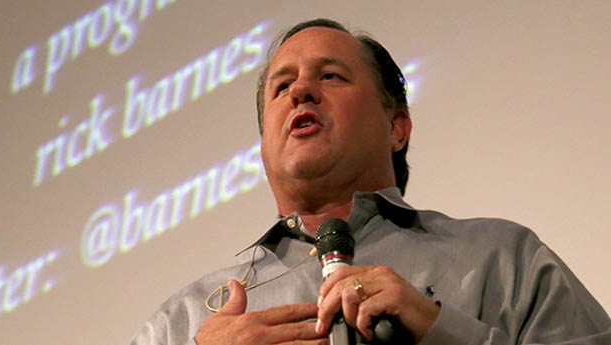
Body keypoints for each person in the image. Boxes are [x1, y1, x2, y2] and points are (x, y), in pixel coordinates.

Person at [130, 18, 611, 345]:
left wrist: (442, 332)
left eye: (332, 76)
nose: (300, 91)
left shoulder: (504, 259)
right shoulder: (186, 320)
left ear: (396, 126)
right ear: (263, 145)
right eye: (282, 87)